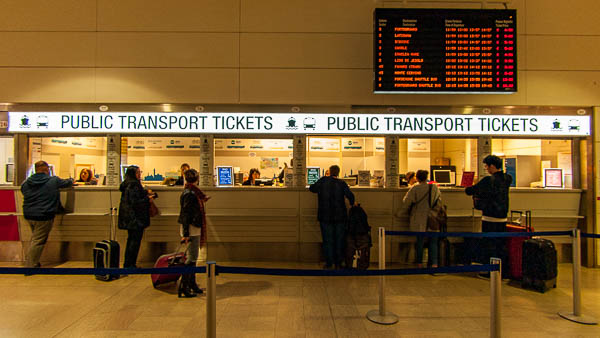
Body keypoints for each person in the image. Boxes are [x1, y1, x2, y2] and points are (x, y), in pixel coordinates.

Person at [465, 155, 512, 277]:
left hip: (490, 217)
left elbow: (469, 190)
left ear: (492, 166)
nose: (486, 168)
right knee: (501, 245)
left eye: (486, 166)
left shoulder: (488, 180)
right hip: (503, 218)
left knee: (489, 245)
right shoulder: (508, 178)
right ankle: (503, 271)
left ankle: (490, 271)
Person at [21, 161, 74, 269]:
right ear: (47, 169)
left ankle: (32, 261)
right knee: (38, 241)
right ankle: (31, 265)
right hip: (44, 214)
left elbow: (23, 191)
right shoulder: (53, 180)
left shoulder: (26, 183)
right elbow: (67, 183)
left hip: (28, 214)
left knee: (35, 238)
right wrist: (72, 180)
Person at [309, 165, 356, 269]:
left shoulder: (322, 181)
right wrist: (353, 204)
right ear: (338, 173)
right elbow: (351, 197)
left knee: (327, 240)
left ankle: (329, 262)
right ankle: (339, 262)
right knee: (339, 240)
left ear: (329, 172)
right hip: (340, 217)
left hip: (325, 216)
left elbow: (312, 189)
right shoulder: (342, 183)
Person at [177, 168, 210, 298]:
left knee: (193, 258)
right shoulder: (190, 194)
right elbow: (185, 214)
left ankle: (192, 284)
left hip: (192, 228)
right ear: (197, 179)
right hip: (191, 229)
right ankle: (185, 286)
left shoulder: (192, 192)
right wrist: (186, 234)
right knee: (191, 258)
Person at [118, 165, 155, 268]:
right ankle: (130, 264)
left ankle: (128, 263)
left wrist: (146, 192)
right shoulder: (134, 185)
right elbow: (136, 202)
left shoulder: (127, 184)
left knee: (131, 241)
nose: (140, 174)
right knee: (134, 242)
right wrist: (148, 199)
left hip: (129, 218)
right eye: (138, 172)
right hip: (135, 219)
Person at [403, 170, 441, 268]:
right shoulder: (434, 187)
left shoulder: (415, 188)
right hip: (433, 217)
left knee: (420, 241)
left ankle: (419, 263)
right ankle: (434, 263)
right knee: (433, 241)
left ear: (418, 178)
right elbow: (439, 201)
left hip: (419, 217)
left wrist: (401, 213)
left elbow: (406, 201)